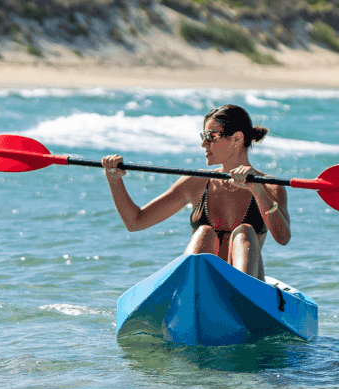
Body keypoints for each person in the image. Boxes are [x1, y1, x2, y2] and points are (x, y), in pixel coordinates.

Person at [102, 104, 290, 279]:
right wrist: (114, 179)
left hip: (247, 290)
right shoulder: (195, 183)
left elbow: (283, 238)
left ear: (237, 138)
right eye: (204, 137)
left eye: (211, 136)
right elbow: (135, 222)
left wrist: (257, 190)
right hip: (203, 286)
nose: (204, 145)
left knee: (245, 233)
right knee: (204, 233)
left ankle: (241, 294)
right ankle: (189, 289)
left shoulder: (269, 186)